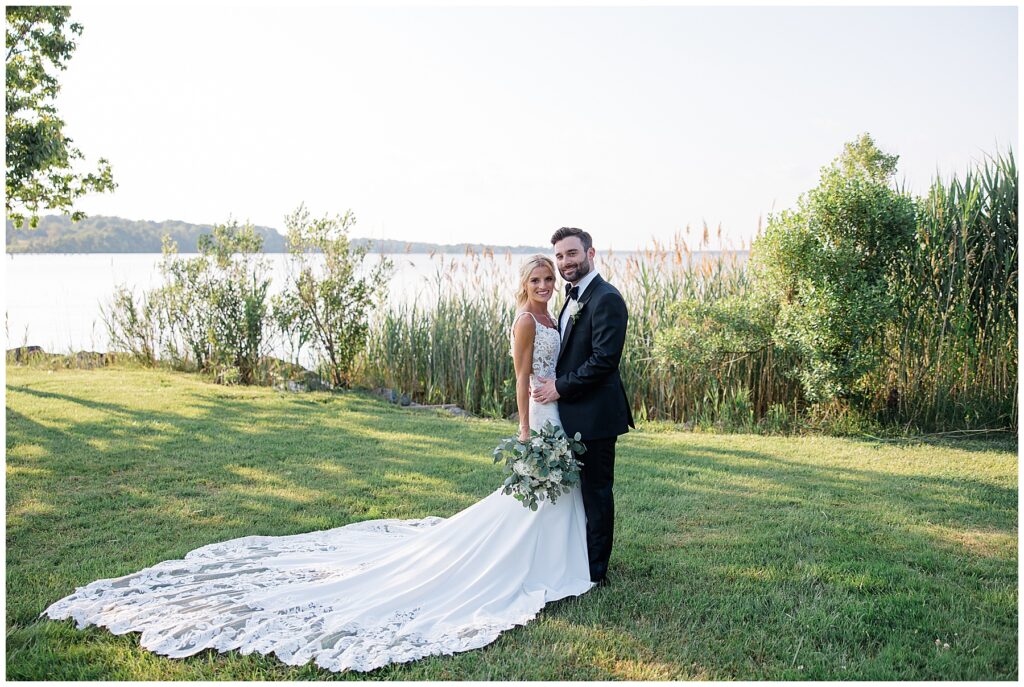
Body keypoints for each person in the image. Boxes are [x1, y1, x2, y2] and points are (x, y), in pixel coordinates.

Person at [42, 254, 593, 674]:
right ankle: (537, 566)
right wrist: (523, 432)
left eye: (550, 279)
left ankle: (556, 564)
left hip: (558, 414)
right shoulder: (526, 320)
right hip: (537, 421)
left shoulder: (554, 315)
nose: (545, 285)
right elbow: (520, 379)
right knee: (532, 494)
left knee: (552, 494)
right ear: (525, 284)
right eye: (538, 279)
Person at [532, 227, 634, 586]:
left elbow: (604, 360)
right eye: (560, 256)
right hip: (572, 415)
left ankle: (596, 573)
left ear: (591, 254)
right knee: (575, 494)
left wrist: (558, 387)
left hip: (596, 417)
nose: (565, 262)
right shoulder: (573, 296)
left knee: (596, 493)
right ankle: (576, 560)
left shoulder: (606, 298)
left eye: (571, 254)